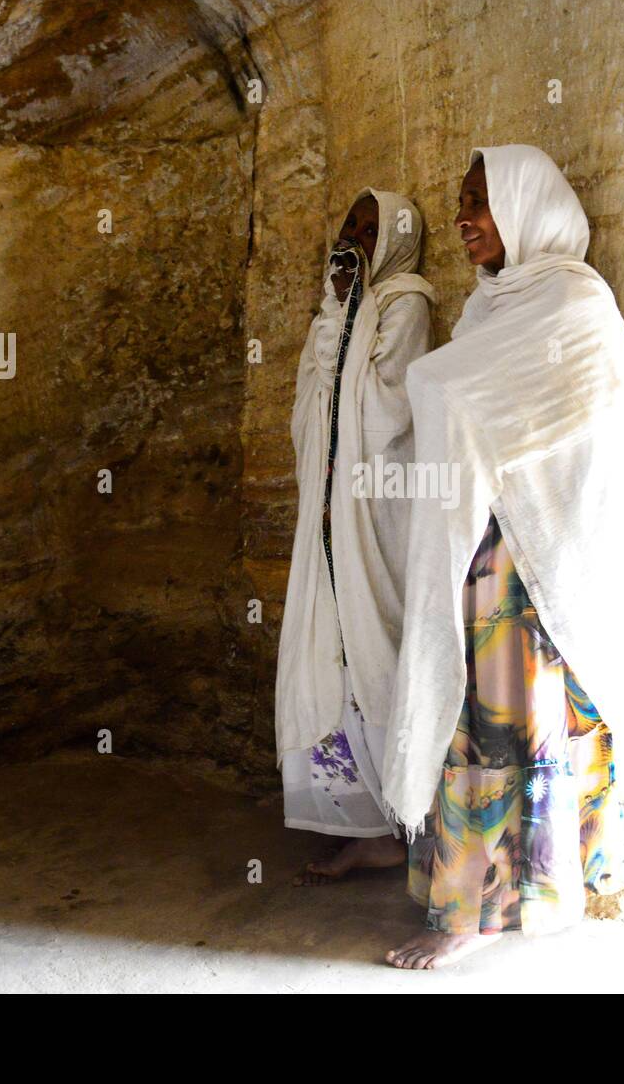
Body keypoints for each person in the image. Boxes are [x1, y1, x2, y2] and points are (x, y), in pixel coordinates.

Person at [382, 146, 624, 968]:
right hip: (482, 550)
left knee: (513, 725)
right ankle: (479, 892)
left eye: (482, 201)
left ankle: (482, 906)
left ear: (526, 205)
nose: (465, 219)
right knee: (476, 723)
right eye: (462, 202)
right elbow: (455, 399)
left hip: (540, 560)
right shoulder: (485, 310)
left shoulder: (576, 301)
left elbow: (604, 416)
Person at [276, 189, 436, 885]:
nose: (359, 239)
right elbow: (312, 408)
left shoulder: (406, 303)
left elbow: (387, 410)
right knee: (332, 653)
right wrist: (338, 311)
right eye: (352, 225)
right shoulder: (335, 309)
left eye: (373, 230)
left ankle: (411, 819)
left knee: (379, 647)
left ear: (398, 239)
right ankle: (368, 827)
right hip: (330, 515)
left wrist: (353, 315)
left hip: (376, 512)